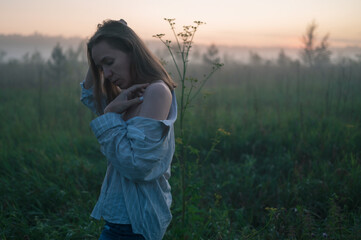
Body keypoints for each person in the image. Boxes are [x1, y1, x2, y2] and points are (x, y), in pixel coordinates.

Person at [80, 19, 177, 240]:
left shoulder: (156, 92)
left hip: (136, 222)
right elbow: (89, 95)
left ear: (132, 51)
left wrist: (110, 115)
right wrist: (99, 44)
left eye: (110, 62)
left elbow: (137, 165)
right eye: (100, 68)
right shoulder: (128, 95)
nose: (107, 73)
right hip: (121, 220)